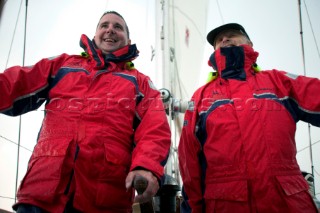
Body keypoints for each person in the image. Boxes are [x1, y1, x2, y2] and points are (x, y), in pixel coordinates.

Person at [0, 11, 171, 213]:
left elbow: (155, 129)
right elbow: (15, 84)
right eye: (104, 25)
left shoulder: (140, 83)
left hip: (103, 198)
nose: (110, 30)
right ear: (95, 34)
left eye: (118, 27)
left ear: (128, 39)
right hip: (41, 192)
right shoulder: (62, 65)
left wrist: (146, 166)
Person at [178, 23, 320, 212]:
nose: (224, 40)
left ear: (250, 44)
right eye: (219, 40)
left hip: (287, 203)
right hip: (226, 205)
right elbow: (189, 160)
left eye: (232, 35)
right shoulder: (201, 97)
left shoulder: (279, 82)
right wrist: (193, 208)